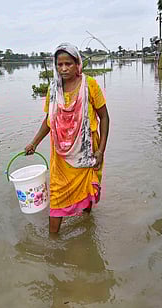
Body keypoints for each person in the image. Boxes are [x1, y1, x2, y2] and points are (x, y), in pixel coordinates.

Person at [25, 42, 110, 234]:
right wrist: (34, 143)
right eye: (59, 64)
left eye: (68, 64)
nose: (63, 68)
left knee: (87, 189)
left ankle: (88, 228)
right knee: (56, 195)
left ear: (77, 63)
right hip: (61, 156)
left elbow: (104, 117)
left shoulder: (90, 85)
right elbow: (49, 120)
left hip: (87, 151)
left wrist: (100, 151)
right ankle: (53, 241)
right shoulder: (53, 88)